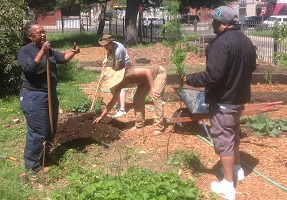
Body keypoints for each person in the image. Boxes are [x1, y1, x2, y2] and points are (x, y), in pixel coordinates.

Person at [182, 6, 256, 200]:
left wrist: (190, 79)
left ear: (224, 24)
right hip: (238, 99)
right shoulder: (246, 42)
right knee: (233, 136)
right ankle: (237, 169)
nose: (213, 25)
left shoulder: (221, 43)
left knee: (224, 141)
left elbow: (213, 75)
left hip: (224, 100)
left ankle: (228, 186)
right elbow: (252, 67)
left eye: (215, 22)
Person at [18, 21, 80, 174]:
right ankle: (32, 166)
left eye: (44, 31)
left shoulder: (48, 50)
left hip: (49, 94)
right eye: (39, 32)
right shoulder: (25, 51)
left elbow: (62, 58)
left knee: (50, 128)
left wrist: (73, 52)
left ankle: (44, 155)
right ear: (30, 36)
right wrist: (41, 53)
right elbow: (29, 69)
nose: (43, 34)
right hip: (33, 96)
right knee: (38, 130)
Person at [93, 63, 166, 136]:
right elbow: (113, 101)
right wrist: (102, 116)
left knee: (156, 98)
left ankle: (158, 127)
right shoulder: (119, 85)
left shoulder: (128, 74)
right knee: (137, 100)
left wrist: (152, 87)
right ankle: (139, 124)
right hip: (144, 80)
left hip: (157, 73)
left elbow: (147, 71)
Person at [98, 34, 130, 118]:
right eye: (103, 45)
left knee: (119, 85)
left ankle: (122, 110)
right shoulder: (110, 46)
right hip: (117, 65)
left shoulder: (117, 50)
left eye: (106, 45)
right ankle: (119, 103)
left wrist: (110, 74)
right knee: (112, 85)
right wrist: (106, 58)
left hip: (124, 66)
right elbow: (108, 51)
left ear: (111, 42)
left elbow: (116, 66)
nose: (105, 47)